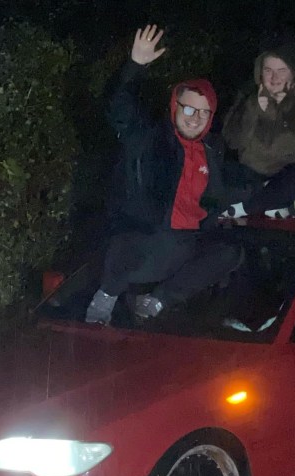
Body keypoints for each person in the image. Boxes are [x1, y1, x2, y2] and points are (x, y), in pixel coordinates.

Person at [86, 24, 242, 325]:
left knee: (231, 252)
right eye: (188, 110)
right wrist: (134, 67)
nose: (195, 119)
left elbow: (232, 188)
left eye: (203, 113)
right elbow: (118, 109)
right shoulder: (148, 138)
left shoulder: (213, 150)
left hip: (184, 250)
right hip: (142, 243)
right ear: (175, 108)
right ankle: (105, 298)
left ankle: (155, 301)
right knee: (164, 242)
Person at [221, 41, 295, 218]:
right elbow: (232, 141)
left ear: (293, 72)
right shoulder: (248, 99)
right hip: (257, 177)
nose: (274, 78)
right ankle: (275, 205)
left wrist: (291, 112)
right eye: (268, 70)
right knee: (221, 171)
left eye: (281, 70)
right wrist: (252, 110)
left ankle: (245, 208)